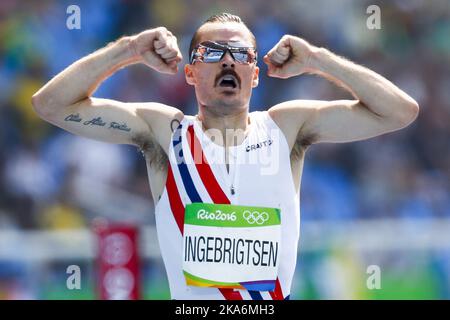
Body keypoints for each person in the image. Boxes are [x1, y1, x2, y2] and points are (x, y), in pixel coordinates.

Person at [31, 13, 419, 300]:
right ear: (190, 72)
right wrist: (128, 49)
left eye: (240, 53)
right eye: (213, 52)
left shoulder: (286, 128)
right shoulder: (165, 132)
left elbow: (399, 111)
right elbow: (50, 105)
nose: (228, 60)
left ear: (255, 74)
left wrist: (318, 59)